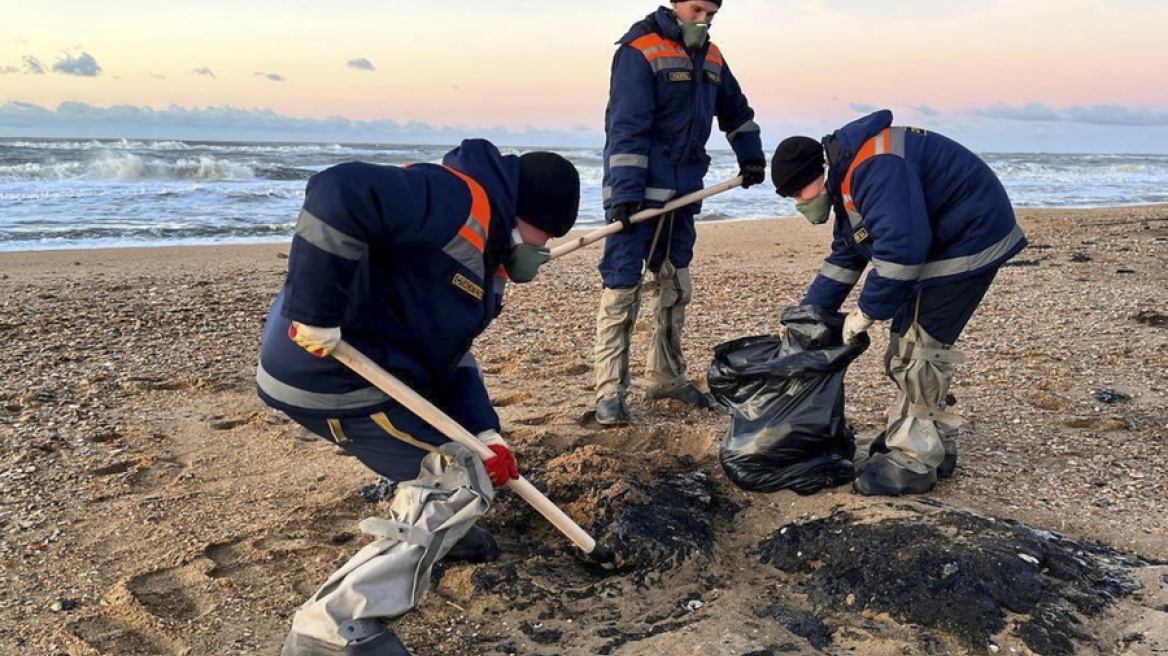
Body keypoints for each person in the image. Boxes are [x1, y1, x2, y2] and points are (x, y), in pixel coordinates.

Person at [256, 139, 579, 655]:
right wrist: (314, 312)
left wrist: (484, 430)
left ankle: (440, 535)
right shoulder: (452, 200)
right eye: (546, 235)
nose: (543, 250)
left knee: (467, 461)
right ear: (525, 213)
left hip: (380, 375)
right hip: (332, 374)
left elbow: (451, 358)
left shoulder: (488, 260)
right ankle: (332, 626)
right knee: (459, 480)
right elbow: (338, 191)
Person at [769, 109, 1028, 496]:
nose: (798, 203)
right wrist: (807, 315)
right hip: (947, 237)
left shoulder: (874, 169)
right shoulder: (848, 179)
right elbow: (847, 255)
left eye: (797, 193)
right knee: (912, 344)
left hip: (969, 240)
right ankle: (932, 441)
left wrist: (866, 313)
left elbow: (902, 251)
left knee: (917, 348)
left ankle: (914, 460)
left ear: (815, 175)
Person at [593, 0, 766, 426]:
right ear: (675, 4)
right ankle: (609, 391)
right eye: (697, 9)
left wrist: (752, 157)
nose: (703, 19)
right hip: (636, 196)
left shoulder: (712, 55)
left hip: (685, 193)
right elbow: (626, 125)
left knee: (674, 282)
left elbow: (736, 112)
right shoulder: (639, 50)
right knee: (622, 287)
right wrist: (626, 193)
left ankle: (666, 377)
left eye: (711, 13)